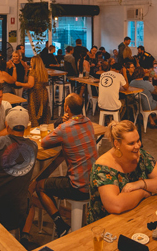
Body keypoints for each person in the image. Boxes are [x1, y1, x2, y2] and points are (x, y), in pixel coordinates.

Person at [87, 120, 157, 223]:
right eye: (131, 143)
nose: (137, 146)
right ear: (117, 144)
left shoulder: (141, 156)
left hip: (136, 216)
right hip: (106, 226)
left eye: (138, 141)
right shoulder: (103, 168)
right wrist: (142, 193)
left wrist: (140, 184)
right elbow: (115, 205)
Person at [36, 94, 98, 236]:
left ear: (67, 108)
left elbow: (44, 142)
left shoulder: (64, 128)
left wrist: (61, 124)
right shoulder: (88, 122)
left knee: (39, 185)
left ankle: (61, 226)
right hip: (94, 182)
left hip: (78, 187)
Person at [16, 55, 50, 127]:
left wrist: (19, 84)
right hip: (43, 92)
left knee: (34, 112)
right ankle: (43, 127)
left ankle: (35, 128)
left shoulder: (33, 72)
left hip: (35, 93)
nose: (30, 63)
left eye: (31, 61)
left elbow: (30, 85)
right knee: (43, 111)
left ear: (34, 63)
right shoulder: (44, 71)